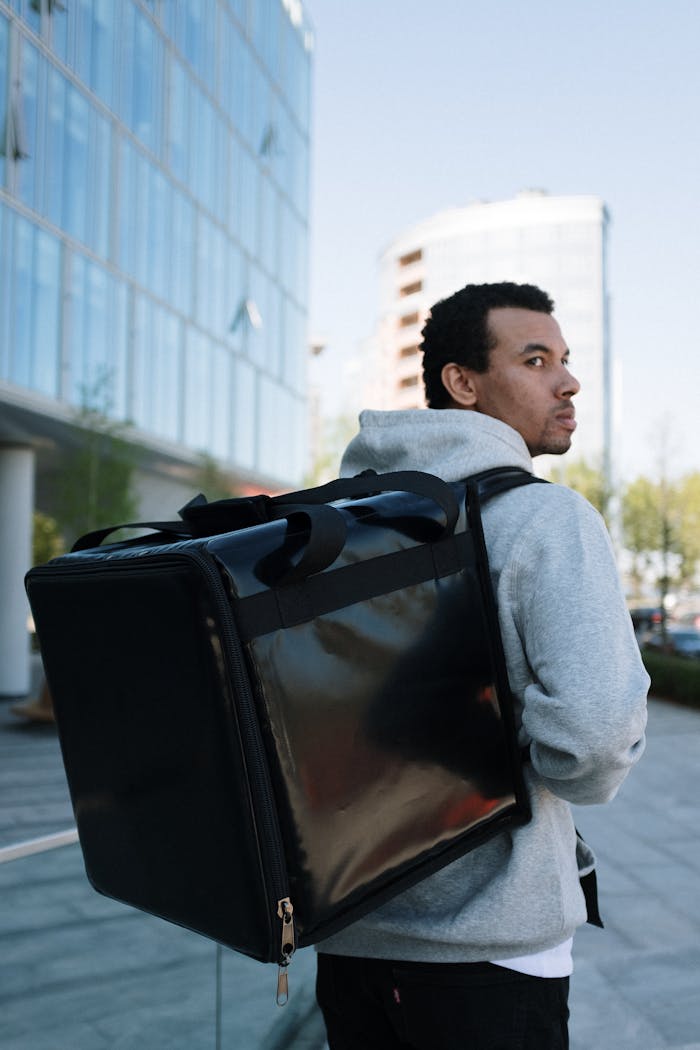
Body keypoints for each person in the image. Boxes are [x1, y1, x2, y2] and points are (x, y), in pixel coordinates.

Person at [314, 281, 649, 1050]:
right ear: (462, 383)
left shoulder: (345, 523)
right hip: (491, 953)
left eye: (564, 360)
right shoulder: (545, 517)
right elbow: (595, 745)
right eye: (535, 360)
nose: (567, 381)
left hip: (353, 935)